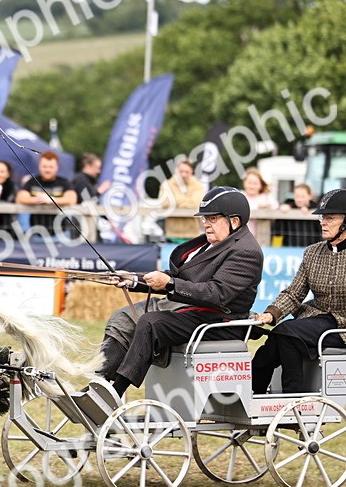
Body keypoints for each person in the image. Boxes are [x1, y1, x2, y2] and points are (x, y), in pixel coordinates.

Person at [98, 187, 265, 396]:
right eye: (205, 219)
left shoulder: (246, 251)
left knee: (150, 322)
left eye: (213, 219)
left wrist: (170, 285)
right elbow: (181, 278)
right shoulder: (210, 244)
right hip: (192, 309)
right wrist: (133, 280)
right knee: (122, 318)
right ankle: (100, 382)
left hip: (219, 320)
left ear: (235, 221)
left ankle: (116, 392)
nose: (206, 224)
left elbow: (217, 294)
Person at [251, 188, 346, 394]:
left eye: (330, 218)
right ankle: (254, 401)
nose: (323, 222)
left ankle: (292, 400)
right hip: (315, 320)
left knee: (285, 333)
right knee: (273, 343)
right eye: (322, 218)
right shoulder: (312, 252)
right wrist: (272, 313)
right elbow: (294, 293)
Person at [16, 151, 77, 238]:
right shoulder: (32, 181)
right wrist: (37, 199)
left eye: (51, 167)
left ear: (57, 167)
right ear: (39, 167)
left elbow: (72, 199)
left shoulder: (64, 182)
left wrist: (52, 200)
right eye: (44, 166)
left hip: (60, 234)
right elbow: (20, 198)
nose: (47, 170)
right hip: (35, 234)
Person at [158, 158, 206, 241]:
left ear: (192, 172)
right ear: (176, 172)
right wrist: (187, 200)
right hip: (172, 234)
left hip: (193, 234)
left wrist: (176, 201)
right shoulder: (167, 184)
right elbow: (165, 202)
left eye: (186, 172)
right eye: (181, 171)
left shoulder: (198, 185)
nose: (183, 175)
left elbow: (195, 203)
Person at [240, 168, 276, 241]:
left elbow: (276, 207)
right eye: (249, 183)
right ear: (244, 183)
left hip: (262, 238)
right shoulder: (240, 196)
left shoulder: (266, 197)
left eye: (255, 183)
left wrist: (267, 206)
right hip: (241, 237)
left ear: (260, 184)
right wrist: (257, 206)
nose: (252, 186)